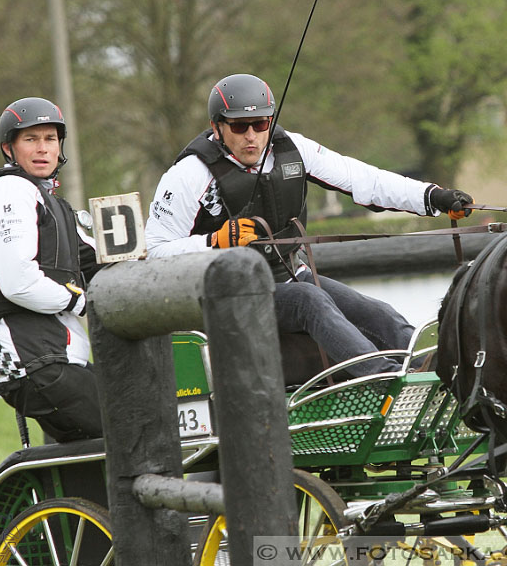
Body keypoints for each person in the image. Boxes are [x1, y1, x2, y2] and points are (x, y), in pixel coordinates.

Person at [145, 73, 473, 378]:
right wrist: (213, 242)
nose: (251, 136)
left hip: (286, 275)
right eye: (239, 126)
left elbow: (365, 181)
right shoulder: (189, 175)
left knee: (377, 314)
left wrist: (432, 197)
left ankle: (433, 376)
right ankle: (385, 381)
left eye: (259, 124)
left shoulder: (294, 149)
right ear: (216, 128)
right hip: (226, 294)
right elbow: (155, 252)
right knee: (307, 300)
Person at [0, 97, 103, 442]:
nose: (43, 149)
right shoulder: (10, 190)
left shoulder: (51, 202)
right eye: (31, 140)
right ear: (9, 148)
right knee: (135, 423)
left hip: (56, 360)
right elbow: (18, 282)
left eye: (50, 139)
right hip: (36, 364)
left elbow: (96, 259)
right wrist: (80, 302)